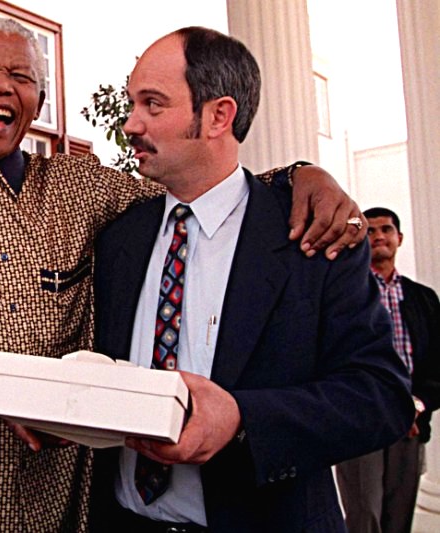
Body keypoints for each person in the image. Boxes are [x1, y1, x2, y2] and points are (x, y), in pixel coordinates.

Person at [0, 17, 367, 533]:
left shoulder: (82, 187)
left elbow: (204, 186)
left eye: (20, 76)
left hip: (63, 504)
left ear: (35, 103)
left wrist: (301, 175)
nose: (0, 85)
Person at [88, 27, 414, 533]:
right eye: (132, 103)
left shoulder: (315, 236)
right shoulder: (118, 240)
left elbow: (381, 397)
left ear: (219, 115)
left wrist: (243, 418)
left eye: (153, 104)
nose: (131, 123)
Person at [336, 207, 440, 533]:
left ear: (399, 238)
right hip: (359, 423)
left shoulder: (423, 298)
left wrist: (419, 403)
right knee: (364, 516)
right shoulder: (342, 294)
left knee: (400, 515)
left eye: (386, 229)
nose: (379, 236)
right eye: (370, 230)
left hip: (408, 422)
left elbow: (437, 363)